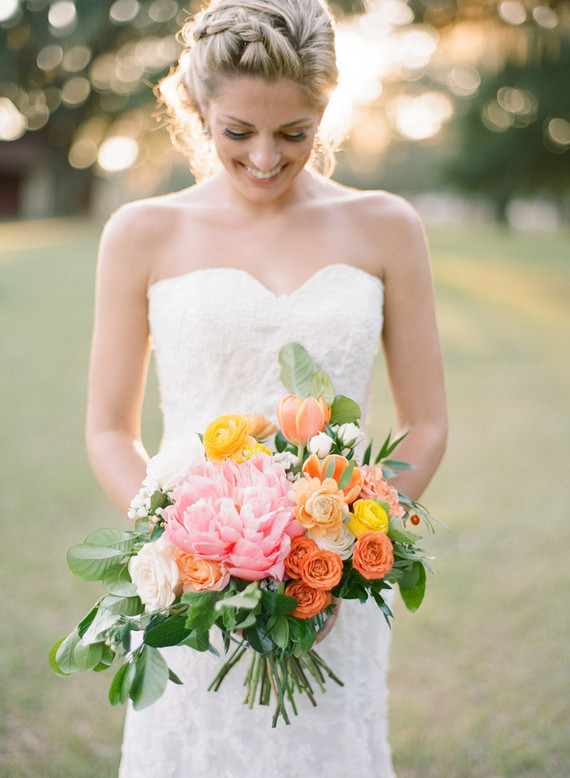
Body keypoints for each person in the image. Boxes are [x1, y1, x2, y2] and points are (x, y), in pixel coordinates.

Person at [86, 0, 447, 775]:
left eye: (294, 133)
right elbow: (109, 430)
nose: (263, 158)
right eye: (237, 132)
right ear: (197, 110)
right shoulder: (142, 234)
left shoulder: (386, 226)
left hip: (335, 593)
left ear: (326, 111)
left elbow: (427, 422)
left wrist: (350, 542)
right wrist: (180, 551)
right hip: (194, 589)